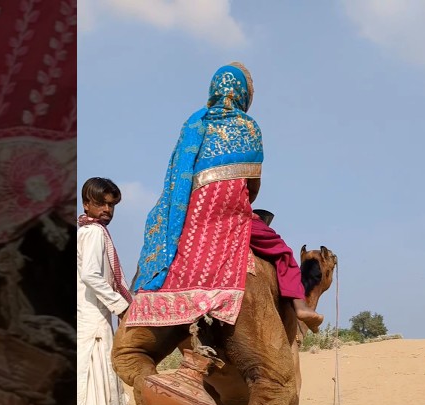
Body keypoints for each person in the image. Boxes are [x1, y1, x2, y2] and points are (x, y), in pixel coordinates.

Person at [126, 62, 322, 332]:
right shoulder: (249, 127)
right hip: (232, 216)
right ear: (243, 94)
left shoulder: (195, 123)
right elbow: (252, 189)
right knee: (282, 252)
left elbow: (176, 174)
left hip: (190, 215)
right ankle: (301, 307)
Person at [77, 177, 131, 405]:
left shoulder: (84, 231)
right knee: (93, 394)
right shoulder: (94, 232)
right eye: (102, 203)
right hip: (92, 325)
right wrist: (121, 306)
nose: (107, 209)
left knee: (84, 392)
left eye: (111, 204)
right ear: (87, 204)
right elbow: (91, 276)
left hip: (87, 320)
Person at [250, 208, 323, 329]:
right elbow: (252, 192)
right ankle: (300, 306)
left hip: (207, 223)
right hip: (231, 219)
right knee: (284, 254)